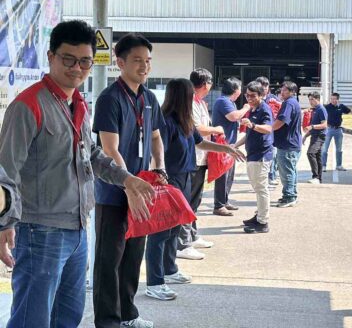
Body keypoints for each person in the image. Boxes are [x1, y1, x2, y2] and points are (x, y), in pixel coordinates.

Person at [0, 21, 155, 328]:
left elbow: (91, 155)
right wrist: (5, 223)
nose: (77, 68)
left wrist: (127, 179)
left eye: (85, 61)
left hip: (78, 229)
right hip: (39, 231)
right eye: (68, 59)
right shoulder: (28, 105)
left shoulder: (78, 103)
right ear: (51, 57)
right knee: (32, 318)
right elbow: (6, 171)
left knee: (68, 316)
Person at [145, 79, 244, 301]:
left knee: (174, 228)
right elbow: (156, 152)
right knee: (160, 232)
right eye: (190, 95)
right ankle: (154, 282)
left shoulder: (185, 121)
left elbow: (200, 143)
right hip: (168, 180)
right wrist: (159, 177)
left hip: (185, 178)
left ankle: (169, 269)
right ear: (182, 97)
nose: (194, 99)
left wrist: (226, 148)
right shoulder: (166, 122)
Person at [95, 32, 166, 328]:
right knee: (109, 261)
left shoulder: (149, 98)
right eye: (137, 60)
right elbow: (109, 149)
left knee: (134, 257)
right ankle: (108, 321)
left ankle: (128, 315)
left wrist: (160, 168)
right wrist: (129, 186)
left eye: (147, 60)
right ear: (120, 62)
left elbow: (156, 137)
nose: (144, 66)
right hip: (114, 193)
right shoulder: (109, 99)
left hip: (142, 189)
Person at [177, 68, 224, 260]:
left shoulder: (200, 102)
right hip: (192, 158)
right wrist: (216, 129)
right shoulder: (189, 102)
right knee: (187, 202)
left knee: (195, 201)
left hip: (201, 157)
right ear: (206, 84)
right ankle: (182, 244)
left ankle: (192, 236)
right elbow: (197, 129)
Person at [235, 82, 274, 233]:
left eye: (253, 96)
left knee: (261, 188)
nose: (249, 98)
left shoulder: (264, 109)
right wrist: (235, 145)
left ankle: (263, 222)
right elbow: (250, 134)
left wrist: (252, 125)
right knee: (257, 188)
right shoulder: (253, 109)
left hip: (261, 155)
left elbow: (268, 128)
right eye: (247, 95)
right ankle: (259, 216)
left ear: (261, 95)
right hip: (253, 154)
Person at [211, 77, 249, 216]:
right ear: (235, 89)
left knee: (229, 175)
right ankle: (219, 205)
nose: (241, 91)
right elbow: (233, 116)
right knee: (222, 176)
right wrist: (245, 108)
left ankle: (224, 200)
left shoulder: (230, 102)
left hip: (230, 144)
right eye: (240, 87)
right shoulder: (223, 101)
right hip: (223, 145)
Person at [272, 81, 302, 207]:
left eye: (285, 90)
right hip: (292, 143)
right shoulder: (293, 102)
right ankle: (291, 194)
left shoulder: (289, 103)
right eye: (282, 89)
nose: (282, 92)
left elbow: (282, 121)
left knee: (287, 172)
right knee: (291, 171)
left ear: (292, 92)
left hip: (287, 144)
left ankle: (289, 197)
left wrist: (269, 128)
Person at [322, 92, 352, 172]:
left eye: (334, 99)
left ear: (338, 100)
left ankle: (339, 165)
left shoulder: (341, 107)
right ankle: (323, 166)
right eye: (332, 99)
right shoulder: (327, 107)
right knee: (324, 149)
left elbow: (349, 110)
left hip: (338, 130)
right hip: (329, 129)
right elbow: (320, 113)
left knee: (339, 149)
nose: (333, 100)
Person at [256, 76, 281, 188]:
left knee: (272, 155)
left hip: (272, 132)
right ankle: (261, 179)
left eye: (266, 85)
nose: (265, 88)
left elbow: (281, 113)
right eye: (262, 86)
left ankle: (271, 176)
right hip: (258, 132)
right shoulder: (255, 98)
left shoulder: (273, 99)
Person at [303, 92, 327, 185]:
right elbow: (312, 126)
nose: (310, 101)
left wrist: (312, 127)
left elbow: (324, 125)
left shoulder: (321, 109)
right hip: (314, 135)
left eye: (312, 99)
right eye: (309, 99)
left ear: (317, 99)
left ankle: (316, 176)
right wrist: (306, 136)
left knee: (310, 153)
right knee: (317, 156)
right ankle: (318, 178)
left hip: (319, 136)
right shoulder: (314, 110)